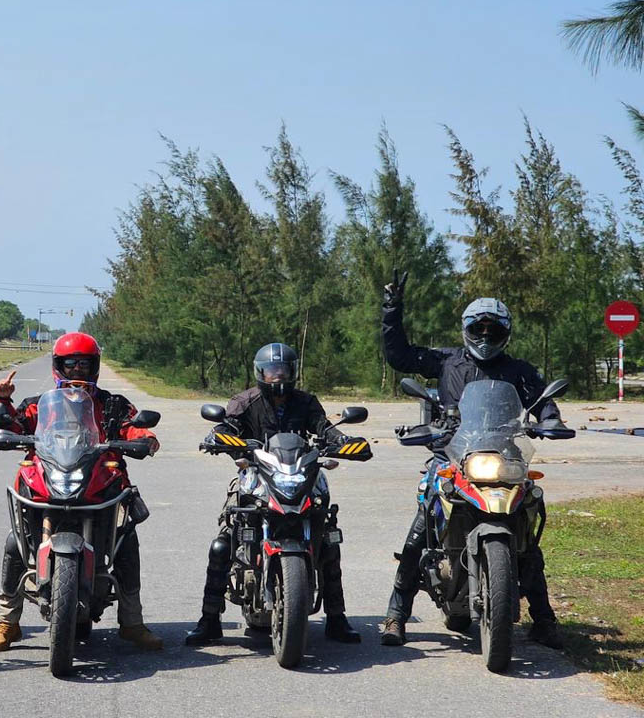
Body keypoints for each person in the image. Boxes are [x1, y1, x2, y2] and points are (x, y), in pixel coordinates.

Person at [378, 271, 566, 648]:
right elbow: (398, 356)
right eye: (478, 329)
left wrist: (550, 421)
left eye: (491, 331)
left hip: (505, 457)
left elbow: (544, 404)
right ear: (466, 330)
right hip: (450, 454)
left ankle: (544, 619)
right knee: (422, 528)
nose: (484, 337)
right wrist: (391, 310)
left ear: (504, 334)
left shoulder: (520, 370)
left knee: (526, 534)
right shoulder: (447, 361)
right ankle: (396, 615)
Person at [0, 331, 164, 653]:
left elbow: (131, 425)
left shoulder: (112, 403)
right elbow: (11, 427)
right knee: (15, 543)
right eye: (71, 365)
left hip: (98, 482)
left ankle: (132, 623)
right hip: (49, 478)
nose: (78, 371)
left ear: (94, 366)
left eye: (84, 365)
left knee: (126, 541)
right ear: (59, 367)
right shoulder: (39, 405)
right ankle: (7, 623)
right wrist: (3, 401)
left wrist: (143, 437)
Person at [186, 342, 364, 645]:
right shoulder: (245, 401)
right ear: (260, 373)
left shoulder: (306, 402)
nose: (276, 377)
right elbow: (228, 425)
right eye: (270, 371)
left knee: (328, 536)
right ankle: (209, 618)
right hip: (256, 472)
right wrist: (218, 437)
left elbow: (324, 428)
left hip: (300, 470)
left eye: (282, 370)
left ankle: (336, 617)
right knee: (223, 541)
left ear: (293, 372)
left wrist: (345, 441)